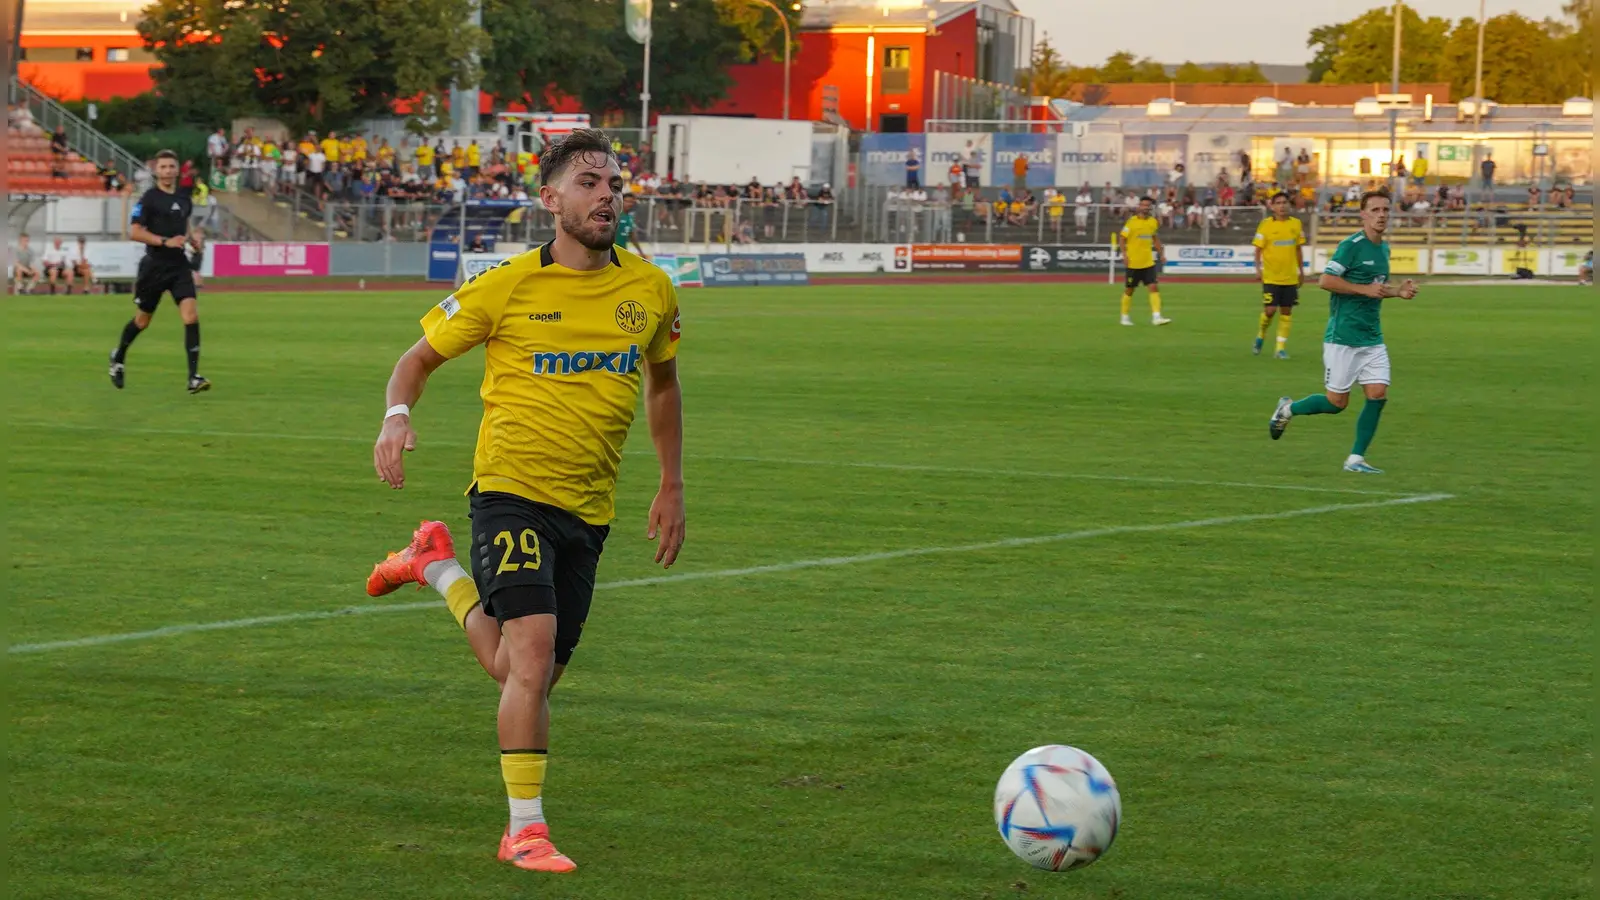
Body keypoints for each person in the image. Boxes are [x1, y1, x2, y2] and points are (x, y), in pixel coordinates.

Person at [363, 129, 684, 875]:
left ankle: (432, 567)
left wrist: (670, 483)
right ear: (550, 200)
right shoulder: (505, 285)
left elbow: (663, 385)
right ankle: (525, 830)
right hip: (510, 492)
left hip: (590, 507)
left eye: (613, 182)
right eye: (587, 182)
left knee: (519, 671)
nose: (606, 193)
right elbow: (416, 360)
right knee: (531, 664)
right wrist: (397, 416)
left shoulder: (648, 289)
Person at [1268, 191, 1417, 474]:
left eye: (1386, 209)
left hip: (1372, 337)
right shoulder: (1351, 246)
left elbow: (1375, 288)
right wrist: (1363, 289)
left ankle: (1355, 459)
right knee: (1336, 403)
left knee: (1378, 394)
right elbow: (1325, 281)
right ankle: (1287, 409)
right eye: (1375, 209)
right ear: (1363, 214)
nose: (1382, 214)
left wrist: (1398, 292)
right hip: (1343, 337)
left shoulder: (1383, 249)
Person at [109, 149, 210, 393]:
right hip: (154, 267)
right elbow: (134, 232)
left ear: (177, 170)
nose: (167, 171)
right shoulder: (148, 199)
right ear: (156, 171)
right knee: (142, 321)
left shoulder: (185, 197)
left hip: (178, 266)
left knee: (191, 316)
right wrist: (165, 241)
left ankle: (193, 377)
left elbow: (183, 221)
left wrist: (190, 239)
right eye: (163, 167)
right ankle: (118, 356)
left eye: (171, 167)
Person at [1251, 192, 1306, 359]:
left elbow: (1298, 249)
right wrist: (1257, 269)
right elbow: (1258, 249)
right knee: (1269, 310)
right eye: (1279, 203)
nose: (1282, 206)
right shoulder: (1265, 225)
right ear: (1272, 206)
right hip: (1271, 277)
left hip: (1289, 277)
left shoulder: (1296, 224)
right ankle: (1261, 335)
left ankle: (1280, 348)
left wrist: (1301, 271)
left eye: (1285, 202)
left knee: (1286, 312)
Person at [1115, 196, 1171, 327]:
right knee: (1129, 290)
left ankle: (1156, 317)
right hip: (1133, 263)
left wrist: (1161, 254)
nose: (1145, 207)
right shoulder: (1131, 222)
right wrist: (1124, 254)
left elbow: (1155, 239)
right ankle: (1124, 316)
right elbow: (1122, 238)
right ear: (1139, 206)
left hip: (1148, 262)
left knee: (1153, 287)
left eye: (1148, 205)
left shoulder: (1153, 222)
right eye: (1143, 205)